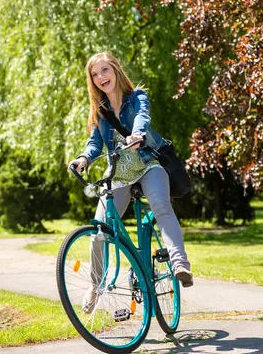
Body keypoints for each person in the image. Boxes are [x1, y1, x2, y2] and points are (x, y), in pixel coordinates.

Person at [68, 52, 193, 311]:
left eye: (105, 70)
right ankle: (95, 284)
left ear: (115, 70)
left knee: (161, 207)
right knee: (100, 229)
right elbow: (95, 143)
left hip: (149, 164)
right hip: (119, 175)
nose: (101, 77)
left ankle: (179, 263)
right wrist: (84, 158)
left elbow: (142, 117)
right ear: (92, 81)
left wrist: (137, 134)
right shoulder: (99, 112)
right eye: (95, 74)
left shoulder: (137, 97)